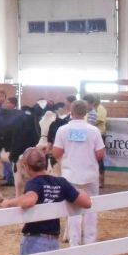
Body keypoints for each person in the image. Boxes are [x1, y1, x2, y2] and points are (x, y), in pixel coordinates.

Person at [52, 100, 104, 246]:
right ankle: (90, 240)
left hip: (70, 175)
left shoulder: (62, 130)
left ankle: (74, 241)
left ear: (71, 111)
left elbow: (56, 152)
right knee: (91, 206)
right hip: (90, 175)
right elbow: (100, 154)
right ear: (85, 112)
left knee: (73, 208)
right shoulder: (94, 131)